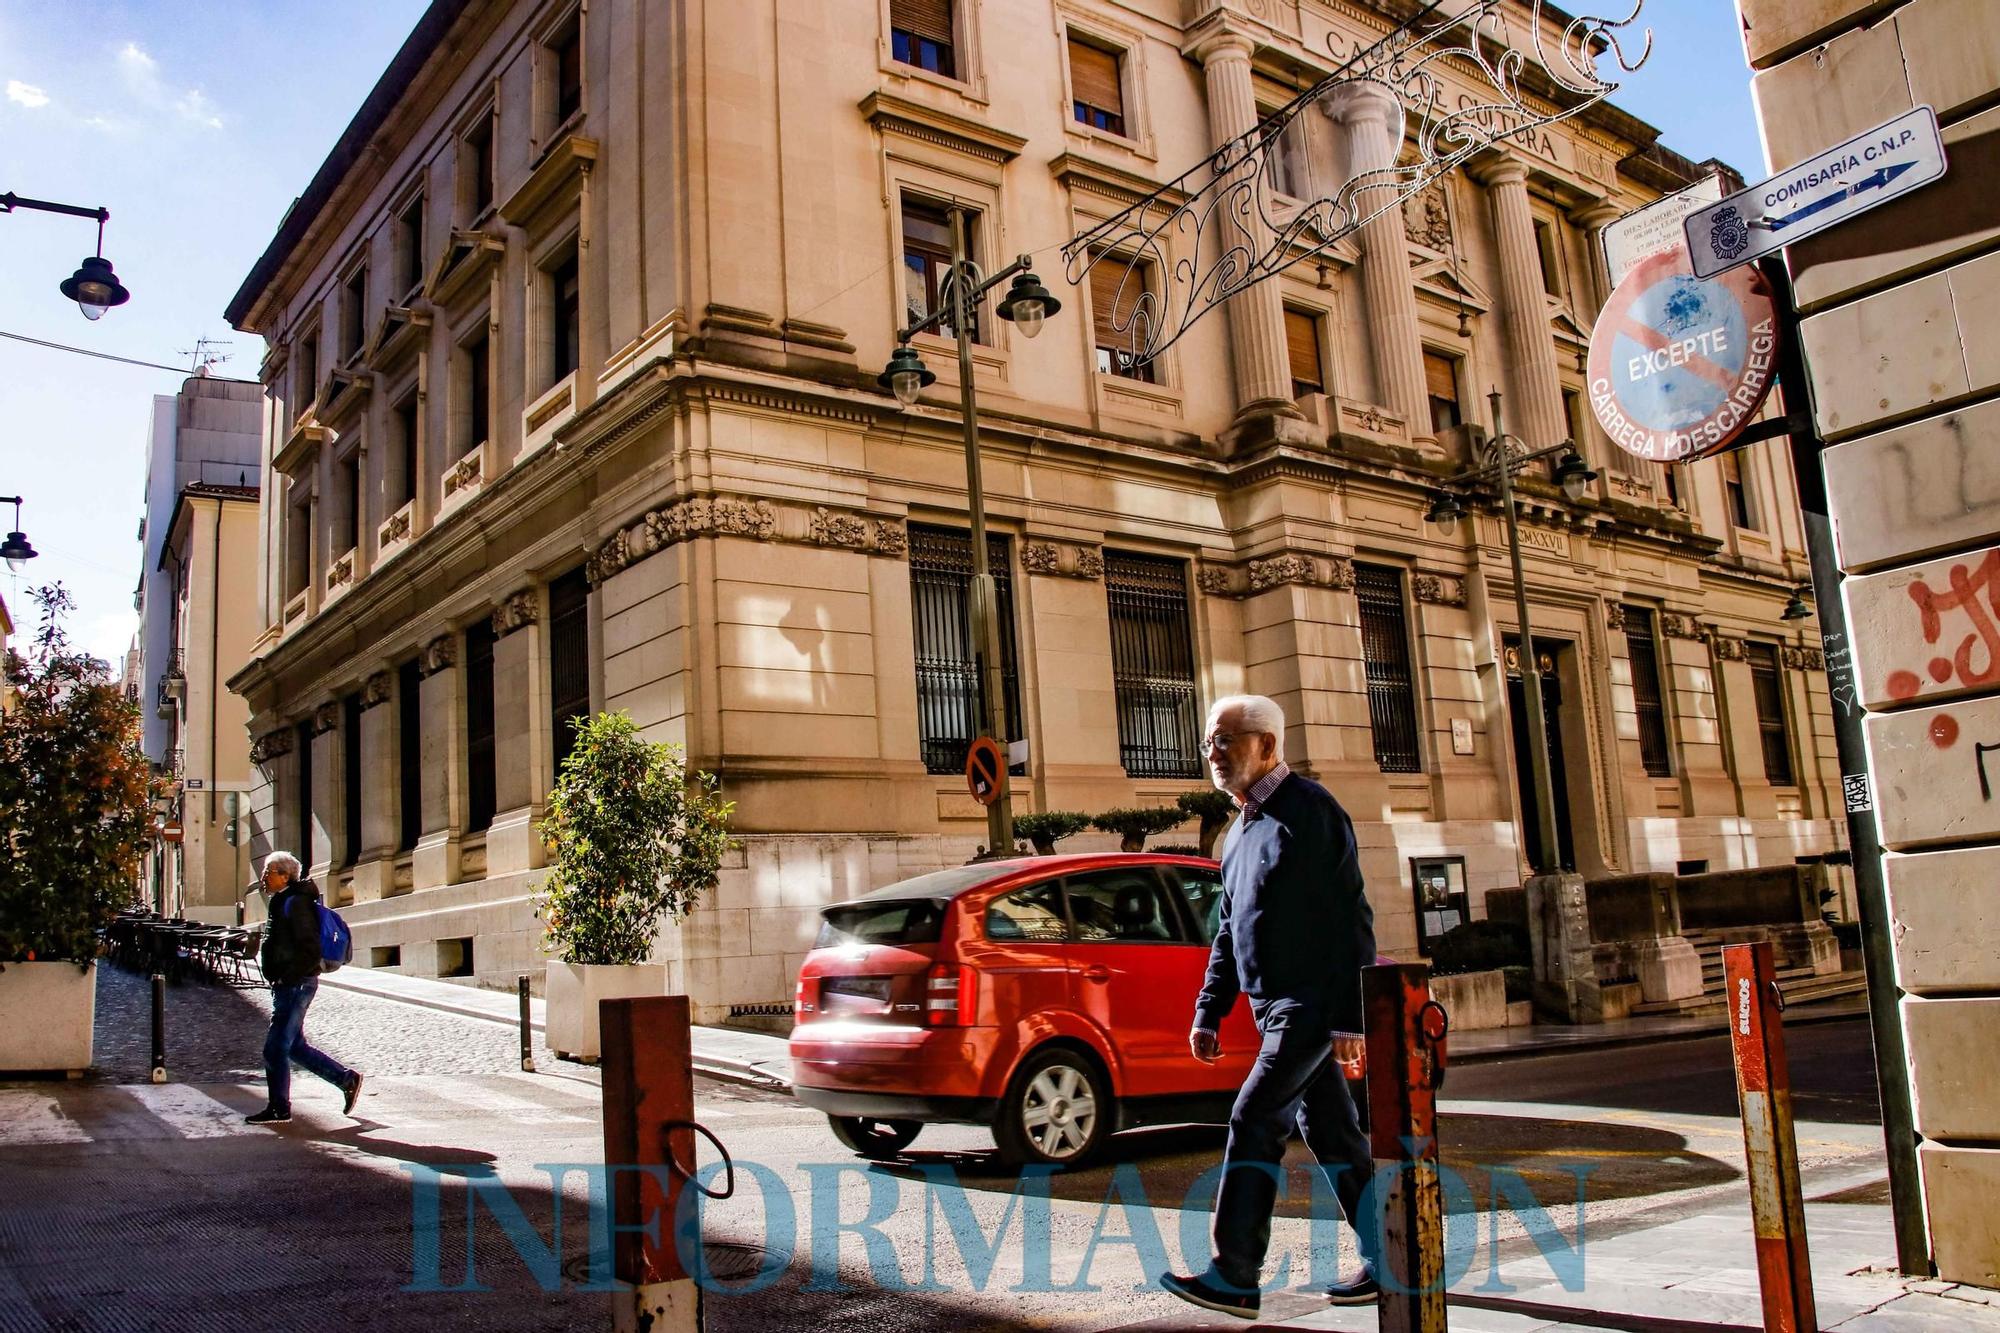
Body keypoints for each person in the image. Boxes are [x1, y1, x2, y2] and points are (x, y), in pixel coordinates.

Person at [1160, 694, 1379, 1320]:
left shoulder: (1311, 811)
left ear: (1268, 747)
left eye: (1227, 740)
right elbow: (1230, 928)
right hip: (1270, 1006)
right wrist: (1209, 1009)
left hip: (1308, 1005)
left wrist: (1347, 1017)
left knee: (1255, 1117)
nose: (1214, 753)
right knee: (1333, 1131)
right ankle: (1392, 1259)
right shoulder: (1239, 831)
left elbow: (1349, 917)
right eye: (1209, 741)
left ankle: (1235, 1274)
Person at [247, 851, 362, 1125]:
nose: (264, 877)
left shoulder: (295, 902)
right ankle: (345, 1079)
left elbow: (309, 950)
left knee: (275, 1048)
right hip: (290, 984)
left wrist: (286, 978)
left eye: (269, 871)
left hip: (296, 985)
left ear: (285, 875)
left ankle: (279, 1108)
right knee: (295, 1047)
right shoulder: (283, 900)